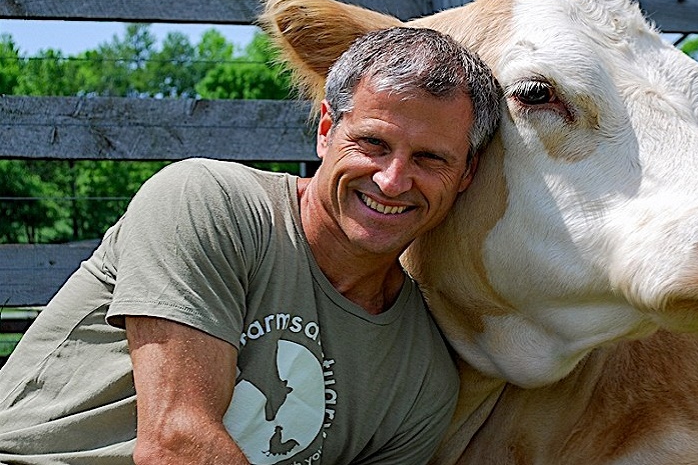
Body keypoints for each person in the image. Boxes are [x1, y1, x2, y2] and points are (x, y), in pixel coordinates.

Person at [0, 27, 505, 464]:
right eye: (373, 144)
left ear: (466, 175)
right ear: (327, 131)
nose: (393, 181)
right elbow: (176, 442)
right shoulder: (209, 203)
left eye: (430, 159)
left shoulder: (423, 382)